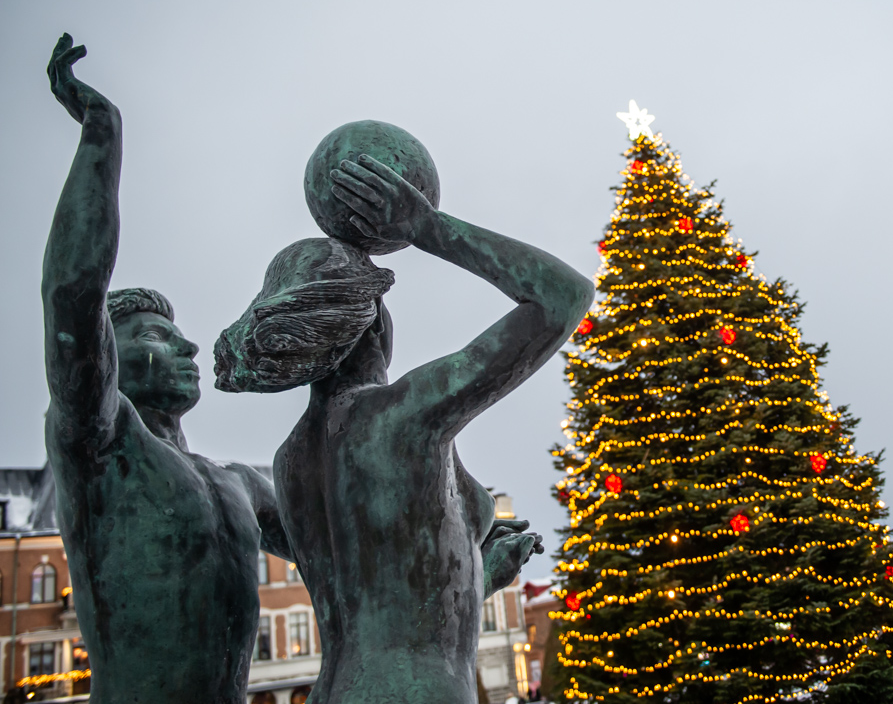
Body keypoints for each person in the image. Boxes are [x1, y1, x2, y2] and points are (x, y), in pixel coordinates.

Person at [216, 144, 593, 703]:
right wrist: (427, 226)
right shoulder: (399, 415)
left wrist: (484, 574)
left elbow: (381, 610)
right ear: (374, 322)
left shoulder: (291, 459)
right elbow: (563, 297)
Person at [41, 34, 292, 704]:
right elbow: (73, 294)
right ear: (107, 356)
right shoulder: (100, 448)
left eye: (182, 336)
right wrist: (103, 133)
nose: (185, 349)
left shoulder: (238, 482)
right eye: (156, 336)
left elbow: (348, 558)